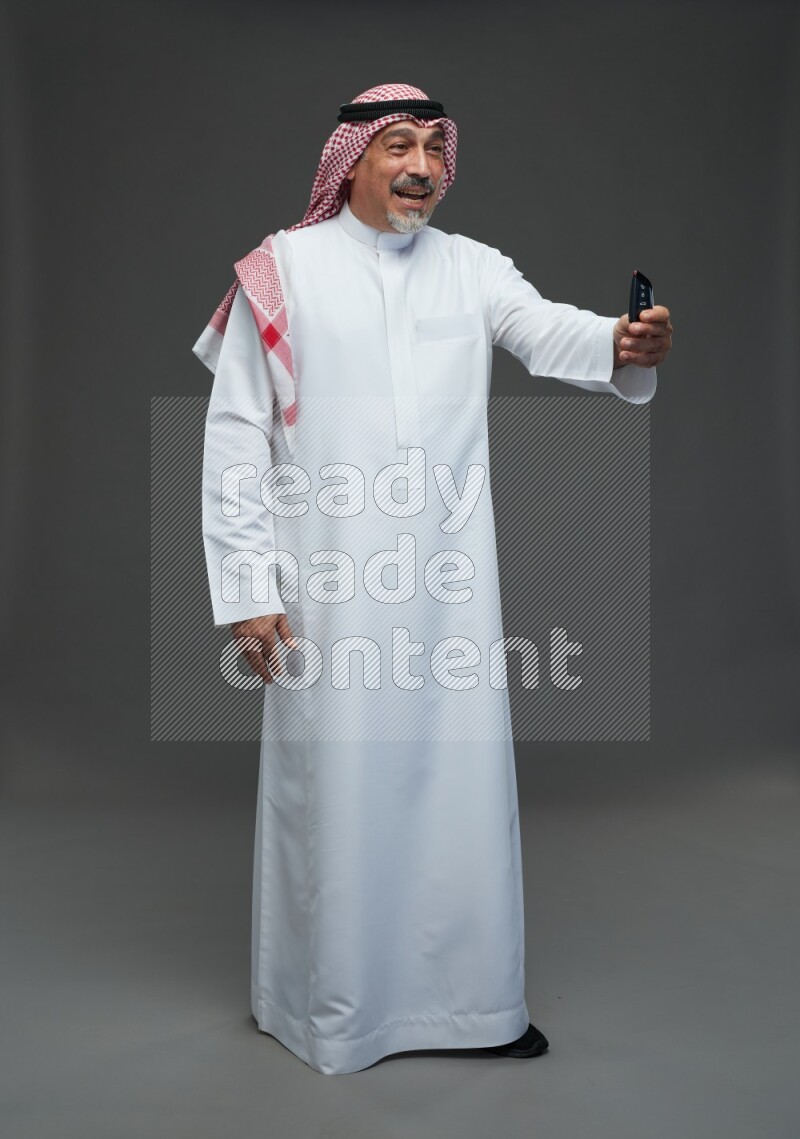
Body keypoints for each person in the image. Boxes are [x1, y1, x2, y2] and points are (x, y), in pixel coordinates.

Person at [193, 83, 673, 1076]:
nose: (421, 167)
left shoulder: (471, 267)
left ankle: (473, 1006)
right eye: (398, 146)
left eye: (434, 148)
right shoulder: (280, 272)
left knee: (456, 786)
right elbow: (235, 436)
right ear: (353, 159)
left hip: (450, 586)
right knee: (335, 792)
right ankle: (327, 1009)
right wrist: (246, 586)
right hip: (326, 583)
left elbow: (547, 331)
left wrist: (622, 345)